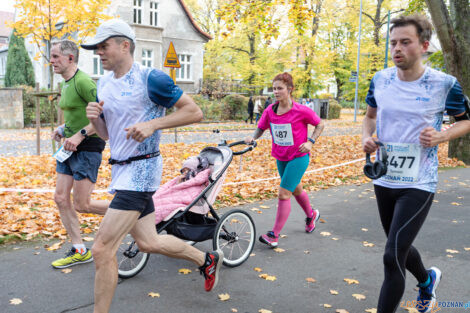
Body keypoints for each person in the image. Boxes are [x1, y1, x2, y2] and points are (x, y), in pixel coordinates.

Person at [82, 19, 223, 313]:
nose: (98, 52)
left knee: (102, 249)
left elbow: (194, 112)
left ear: (124, 45)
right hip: (121, 171)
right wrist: (95, 119)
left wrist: (153, 124)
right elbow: (109, 135)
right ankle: (206, 260)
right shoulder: (103, 83)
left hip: (142, 171)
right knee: (148, 242)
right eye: (96, 48)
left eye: (103, 46)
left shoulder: (152, 79)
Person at [362, 14, 470, 313]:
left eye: (405, 42)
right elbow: (370, 117)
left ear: (423, 46)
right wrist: (366, 139)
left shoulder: (444, 84)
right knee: (399, 247)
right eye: (393, 43)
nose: (397, 48)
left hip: (419, 182)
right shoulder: (380, 80)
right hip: (385, 178)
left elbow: (466, 122)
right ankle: (427, 280)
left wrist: (442, 135)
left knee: (391, 254)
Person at [245, 72, 325, 247]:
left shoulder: (301, 110)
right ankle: (311, 215)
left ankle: (274, 235)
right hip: (280, 157)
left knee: (283, 193)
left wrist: (310, 142)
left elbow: (320, 124)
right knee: (295, 190)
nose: (276, 92)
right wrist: (253, 138)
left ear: (290, 90)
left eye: (279, 88)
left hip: (299, 157)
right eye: (274, 88)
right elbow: (261, 128)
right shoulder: (270, 110)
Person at [49, 40, 108, 269]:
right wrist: (64, 129)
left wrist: (80, 135)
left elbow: (105, 116)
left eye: (55, 57)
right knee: (60, 198)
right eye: (52, 56)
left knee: (82, 204)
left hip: (88, 147)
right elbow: (78, 114)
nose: (51, 61)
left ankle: (132, 212)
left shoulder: (84, 82)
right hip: (69, 148)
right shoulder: (66, 83)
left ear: (70, 58)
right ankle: (80, 250)